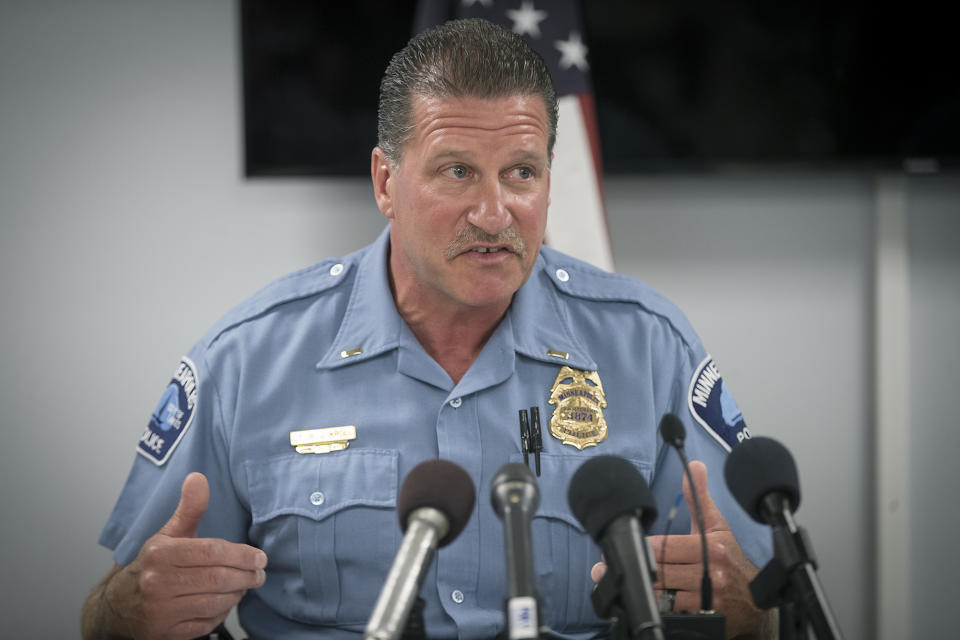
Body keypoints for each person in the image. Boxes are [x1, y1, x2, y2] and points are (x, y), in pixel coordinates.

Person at [82, 18, 774, 640]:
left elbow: (754, 607)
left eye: (522, 173)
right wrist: (128, 614)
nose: (495, 212)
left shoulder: (647, 348)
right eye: (457, 172)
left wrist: (747, 611)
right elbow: (109, 613)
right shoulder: (250, 360)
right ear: (385, 181)